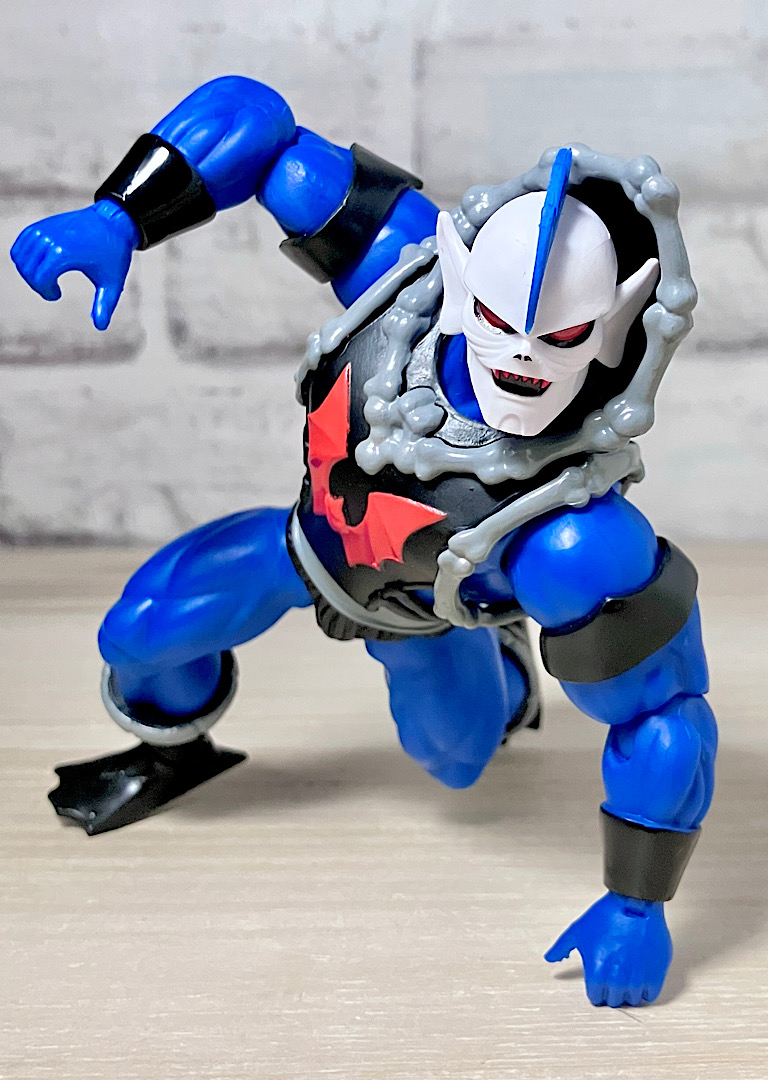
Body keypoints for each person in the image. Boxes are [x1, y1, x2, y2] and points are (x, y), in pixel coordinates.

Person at [11, 76, 717, 1008]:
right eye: (497, 321)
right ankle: (173, 752)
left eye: (563, 335)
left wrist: (637, 907)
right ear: (461, 277)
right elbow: (260, 127)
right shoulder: (402, 279)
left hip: (418, 617)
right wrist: (119, 218)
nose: (518, 356)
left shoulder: (575, 537)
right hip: (304, 546)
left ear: (618, 326)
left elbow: (664, 719)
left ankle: (508, 673)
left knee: (456, 763)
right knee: (138, 634)